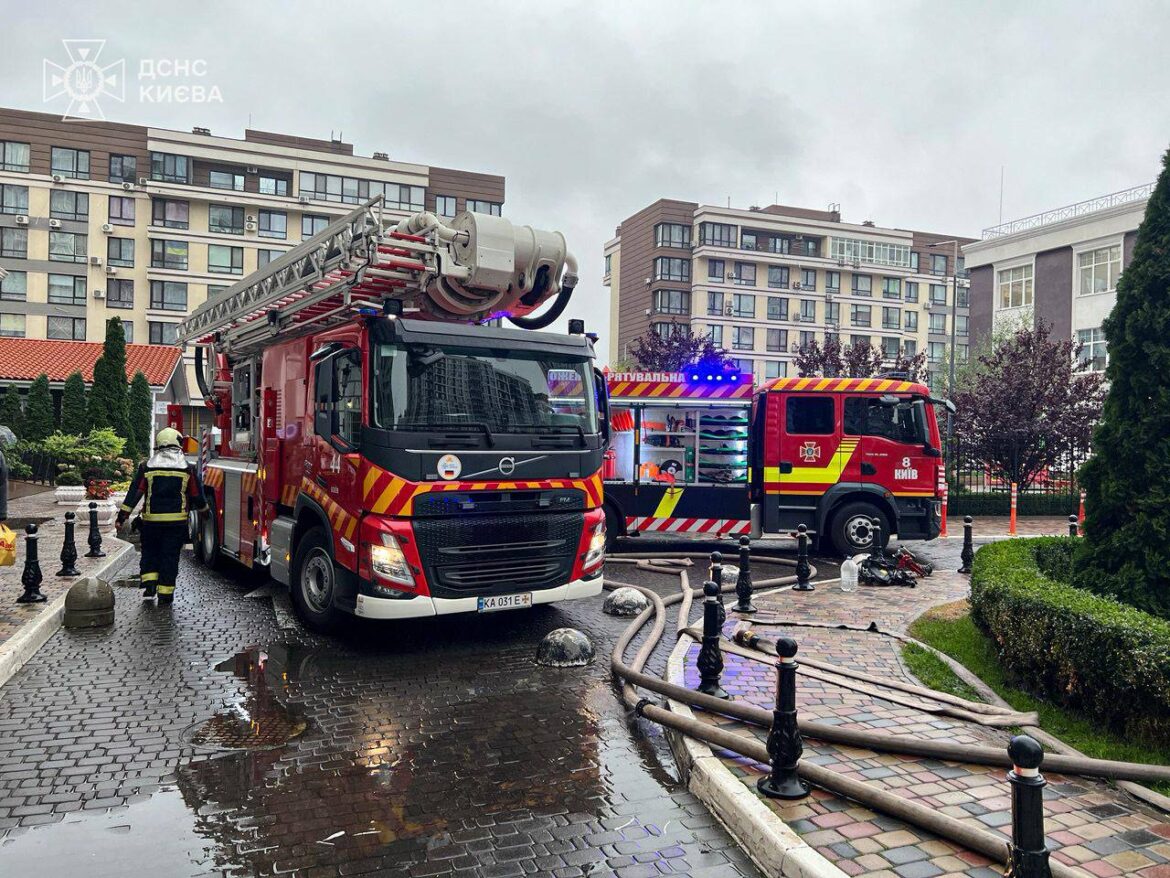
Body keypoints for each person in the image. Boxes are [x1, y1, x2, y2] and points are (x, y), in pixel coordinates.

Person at [116, 427, 206, 604]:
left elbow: (135, 493)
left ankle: (149, 585)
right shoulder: (187, 469)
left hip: (151, 522)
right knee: (170, 556)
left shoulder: (147, 467)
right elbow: (196, 495)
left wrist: (122, 517)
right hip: (176, 523)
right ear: (178, 445)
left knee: (150, 552)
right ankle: (166, 594)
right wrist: (205, 512)